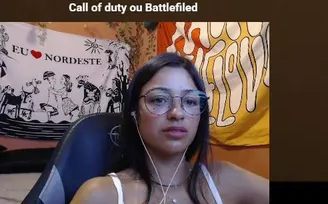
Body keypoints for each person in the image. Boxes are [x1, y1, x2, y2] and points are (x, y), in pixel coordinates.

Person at [71, 52, 268, 204]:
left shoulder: (226, 180)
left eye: (190, 101)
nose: (177, 113)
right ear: (134, 113)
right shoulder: (100, 195)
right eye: (159, 99)